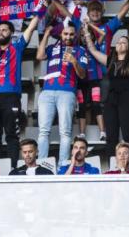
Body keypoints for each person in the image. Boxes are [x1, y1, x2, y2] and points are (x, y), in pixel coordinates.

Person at [0, 16, 40, 167]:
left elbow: (30, 29)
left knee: (12, 135)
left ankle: (12, 168)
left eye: (4, 30)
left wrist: (38, 12)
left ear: (11, 33)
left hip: (10, 97)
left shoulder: (16, 48)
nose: (1, 32)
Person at [84, 18, 129, 154]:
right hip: (111, 99)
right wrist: (86, 33)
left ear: (128, 47)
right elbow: (93, 50)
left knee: (128, 135)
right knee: (111, 136)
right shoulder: (110, 61)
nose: (120, 44)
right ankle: (113, 168)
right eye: (118, 42)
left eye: (123, 42)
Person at [78, 0, 129, 140]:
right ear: (88, 12)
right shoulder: (82, 27)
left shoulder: (108, 27)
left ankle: (103, 132)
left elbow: (122, 12)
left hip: (105, 73)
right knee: (86, 104)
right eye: (92, 10)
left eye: (98, 10)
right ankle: (89, 134)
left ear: (102, 12)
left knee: (102, 103)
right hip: (86, 74)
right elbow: (66, 13)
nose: (95, 12)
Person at [36, 24, 87, 164]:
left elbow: (82, 75)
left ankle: (63, 165)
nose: (68, 37)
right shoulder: (53, 48)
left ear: (75, 35)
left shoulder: (80, 50)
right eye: (65, 34)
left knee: (65, 132)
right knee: (43, 131)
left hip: (67, 92)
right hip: (47, 91)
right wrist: (46, 34)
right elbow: (39, 56)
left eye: (71, 34)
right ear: (61, 35)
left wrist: (74, 62)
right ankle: (42, 165)